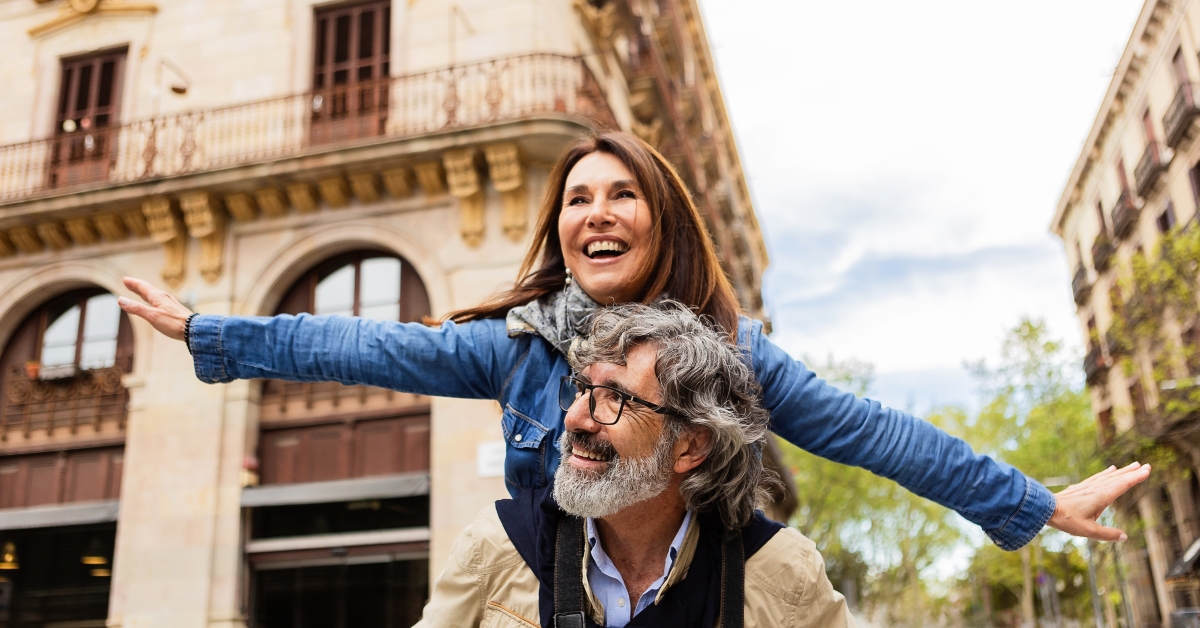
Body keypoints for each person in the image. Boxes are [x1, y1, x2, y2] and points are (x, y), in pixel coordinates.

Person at [118, 131, 1149, 550]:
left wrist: (1035, 502)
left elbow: (871, 432)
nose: (596, 210)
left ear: (659, 220)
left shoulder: (730, 359)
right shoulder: (517, 348)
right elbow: (360, 346)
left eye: (622, 193)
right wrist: (216, 329)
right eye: (577, 197)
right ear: (561, 229)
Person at [416, 302, 855, 628]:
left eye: (617, 399)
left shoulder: (784, 574)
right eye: (582, 389)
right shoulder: (498, 546)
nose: (573, 419)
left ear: (691, 446)